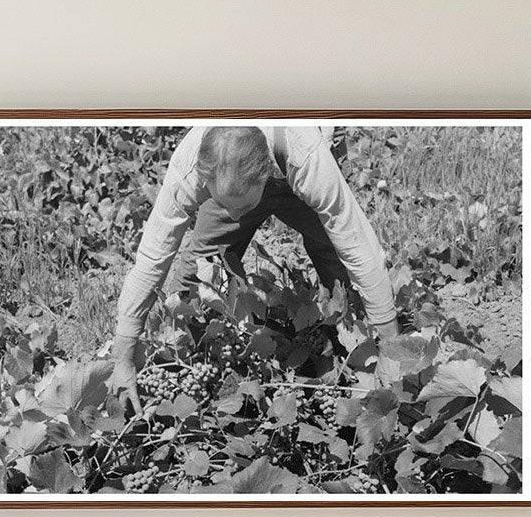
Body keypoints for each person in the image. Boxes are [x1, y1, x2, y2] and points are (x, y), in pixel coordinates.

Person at [110, 125, 401, 413]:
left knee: (335, 258)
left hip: (294, 159)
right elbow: (152, 255)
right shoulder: (191, 165)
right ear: (205, 177)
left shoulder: (308, 158)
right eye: (225, 203)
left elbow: (358, 245)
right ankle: (201, 377)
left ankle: (357, 361)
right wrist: (123, 353)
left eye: (242, 206)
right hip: (238, 180)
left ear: (266, 177)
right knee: (196, 278)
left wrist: (391, 346)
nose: (235, 217)